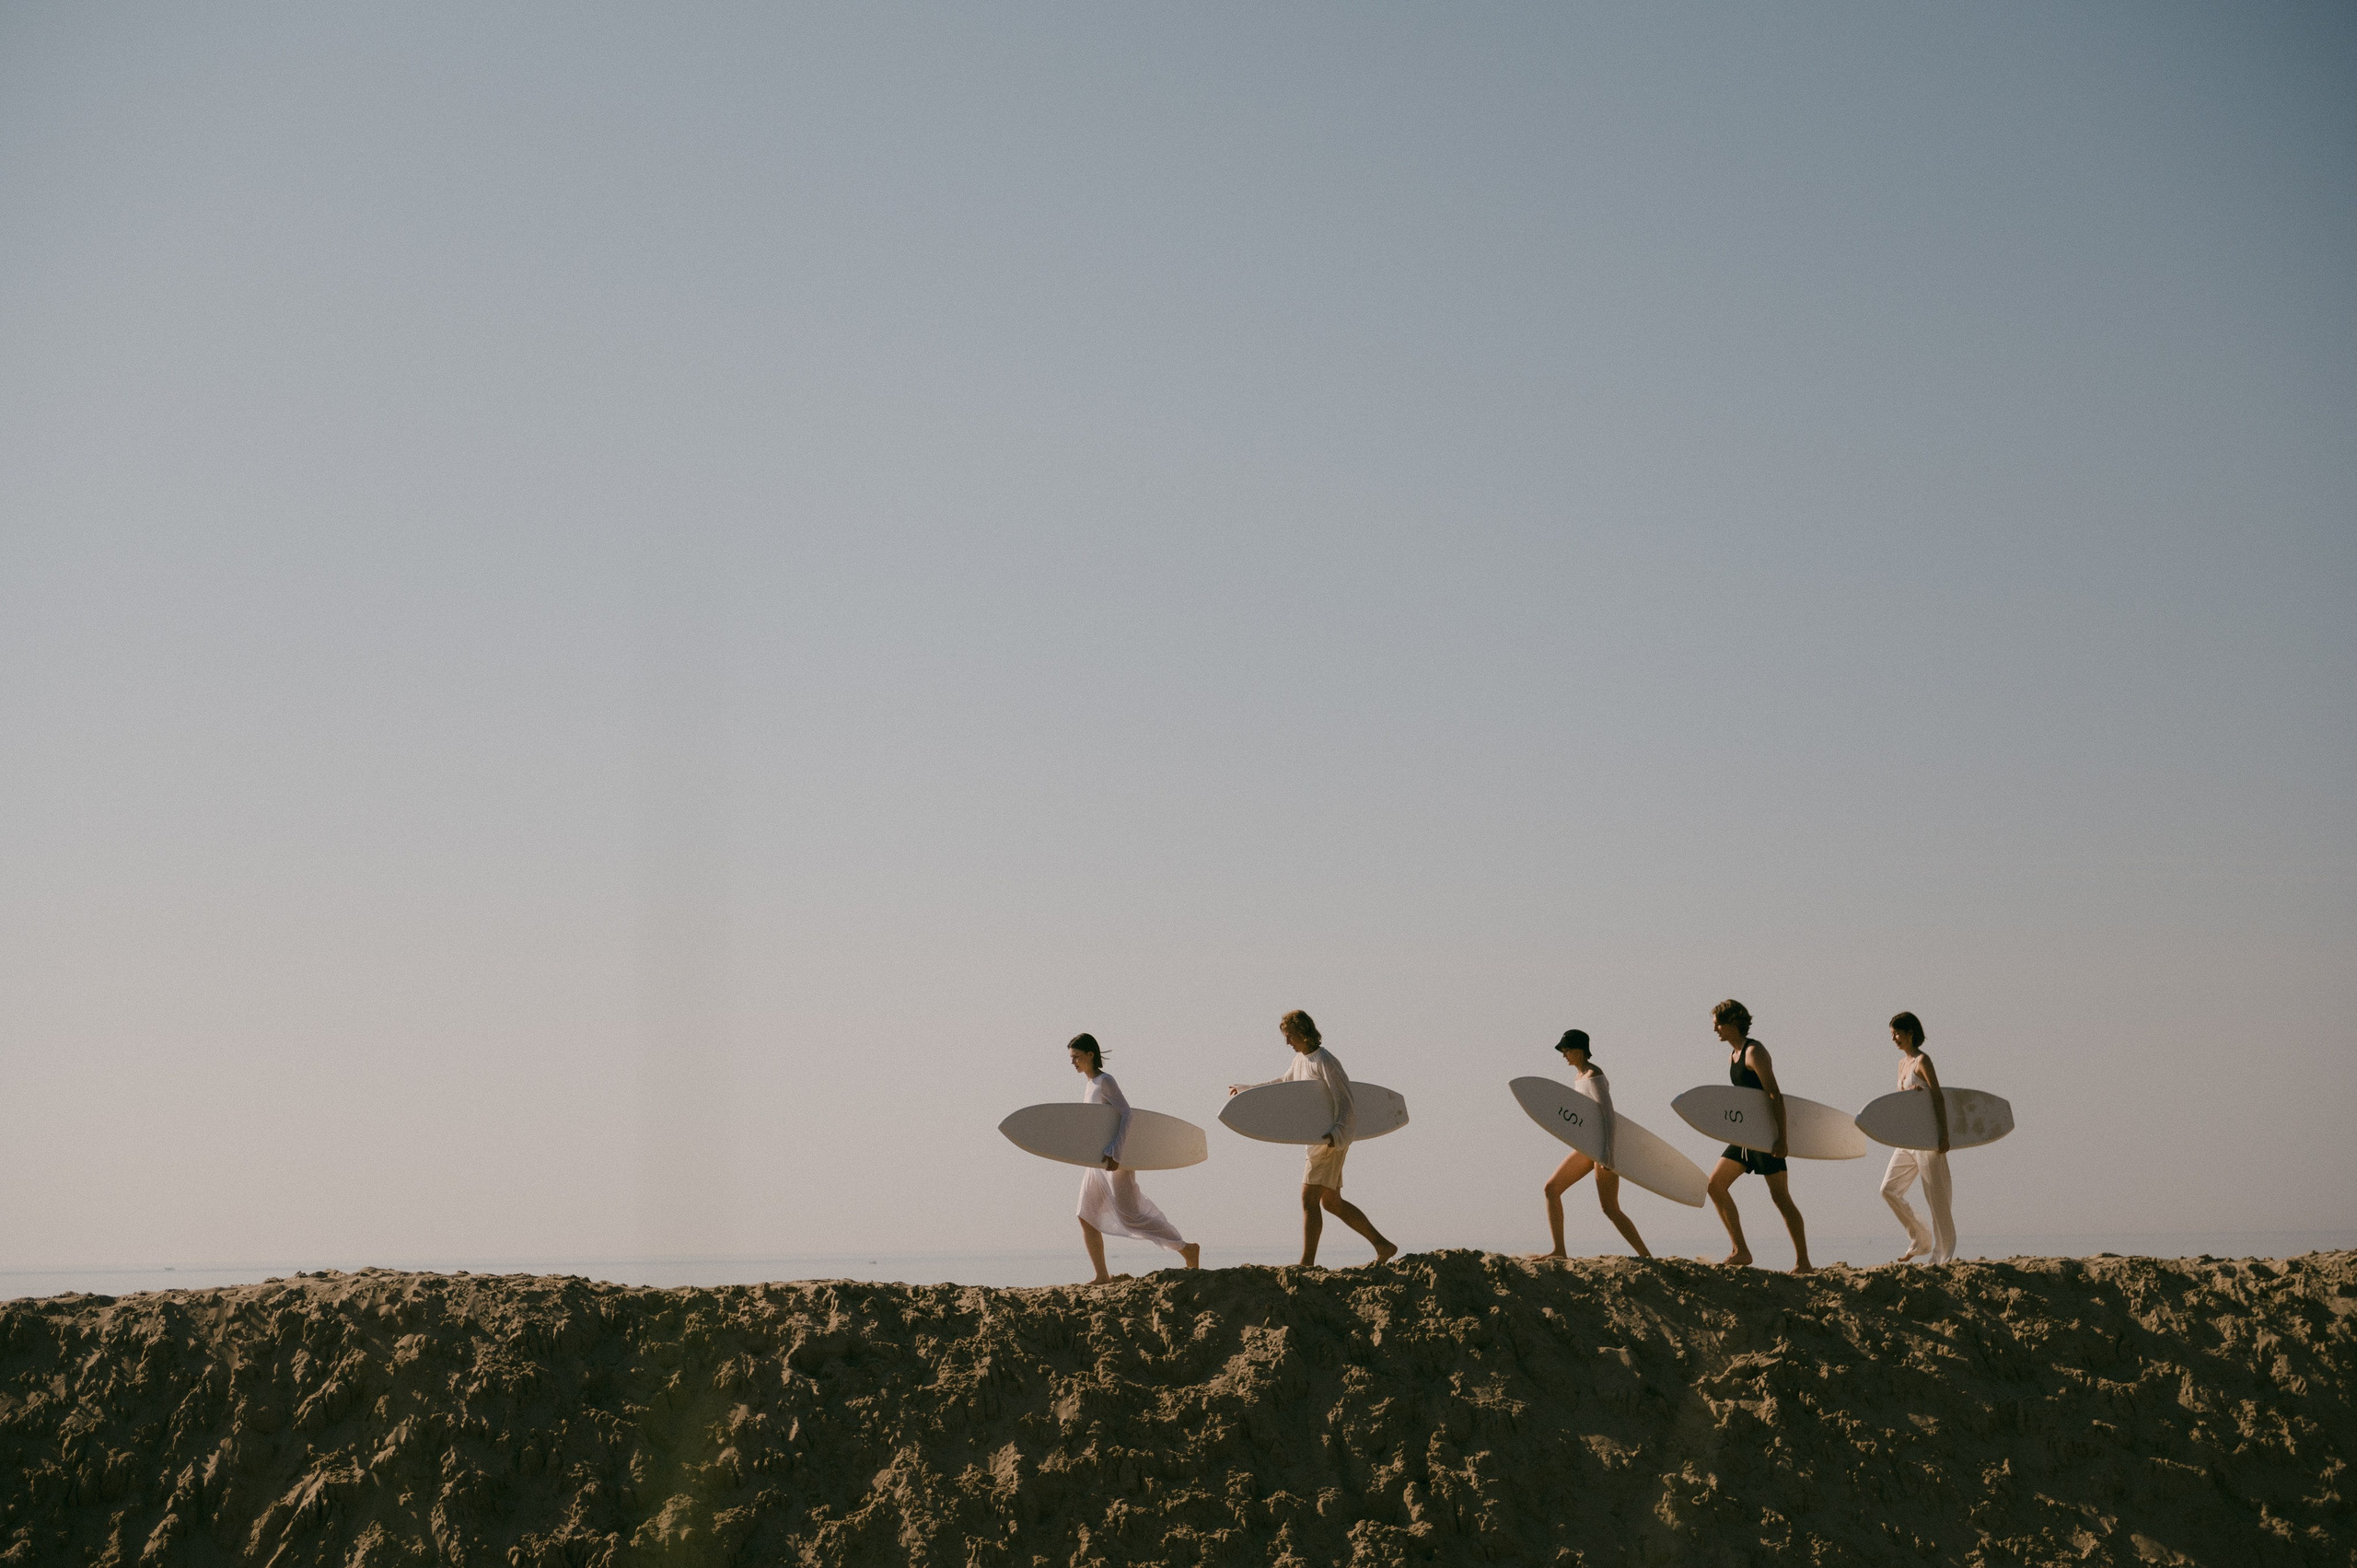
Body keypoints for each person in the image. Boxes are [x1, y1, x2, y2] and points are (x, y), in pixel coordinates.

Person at [1230, 1010, 1398, 1268]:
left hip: (1330, 1139)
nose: (1287, 1042)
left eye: (1290, 1036)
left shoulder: (1325, 1061)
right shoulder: (1301, 1060)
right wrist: (1248, 1090)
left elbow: (1346, 1101)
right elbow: (1283, 1084)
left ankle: (1307, 1262)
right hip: (1320, 1139)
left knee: (1308, 1198)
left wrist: (1338, 1134)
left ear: (1304, 1033)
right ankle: (1383, 1245)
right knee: (1332, 1202)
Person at [1068, 1033, 1200, 1283]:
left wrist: (1117, 1152)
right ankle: (1102, 1275)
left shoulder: (1106, 1081)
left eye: (1076, 1057)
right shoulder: (1089, 1084)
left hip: (1116, 1159)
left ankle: (1186, 1248)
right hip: (1098, 1163)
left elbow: (1127, 1114)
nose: (1072, 1062)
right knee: (1085, 1215)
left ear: (1090, 1055)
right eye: (1071, 1058)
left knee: (1131, 1215)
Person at [1703, 999, 1815, 1273]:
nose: (1715, 1029)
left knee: (1780, 1196)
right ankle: (1740, 1250)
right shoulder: (1733, 1054)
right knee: (1715, 1185)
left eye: (1718, 1023)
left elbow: (1774, 1094)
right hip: (1745, 1137)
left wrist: (1782, 1137)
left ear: (1733, 1023)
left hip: (1766, 1136)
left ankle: (1803, 1262)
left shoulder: (1754, 1052)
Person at [1534, 1029, 1652, 1260]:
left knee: (1610, 1208)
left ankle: (1646, 1256)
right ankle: (1559, 1250)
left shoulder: (1593, 1075)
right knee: (1551, 1189)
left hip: (1602, 1148)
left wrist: (1608, 1151)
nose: (1563, 1055)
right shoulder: (1579, 1078)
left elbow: (1608, 1115)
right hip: (1588, 1146)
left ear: (1579, 1049)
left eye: (1566, 1050)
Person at [1879, 1010, 1955, 1264]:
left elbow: (1938, 1097)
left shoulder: (1924, 1061)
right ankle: (1921, 1240)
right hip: (1908, 1140)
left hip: (1928, 1139)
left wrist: (1943, 1135)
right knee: (1888, 1189)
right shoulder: (1902, 1064)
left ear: (1910, 1033)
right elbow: (1903, 1103)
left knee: (1936, 1199)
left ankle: (1942, 1256)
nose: (1894, 1039)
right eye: (1892, 1035)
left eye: (1897, 1033)